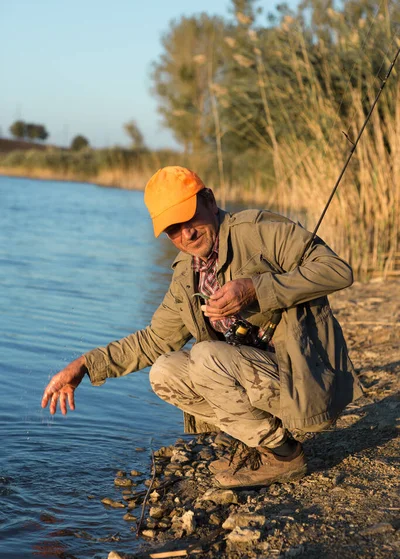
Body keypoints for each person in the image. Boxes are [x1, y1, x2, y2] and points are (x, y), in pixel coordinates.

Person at [41, 166, 363, 488]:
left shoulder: (259, 230)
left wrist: (256, 289)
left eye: (189, 218)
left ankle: (285, 459)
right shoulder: (186, 273)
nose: (187, 234)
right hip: (258, 380)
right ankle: (264, 443)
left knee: (206, 356)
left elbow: (337, 271)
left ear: (209, 200)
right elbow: (153, 341)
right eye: (173, 229)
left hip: (307, 381)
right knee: (164, 371)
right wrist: (83, 365)